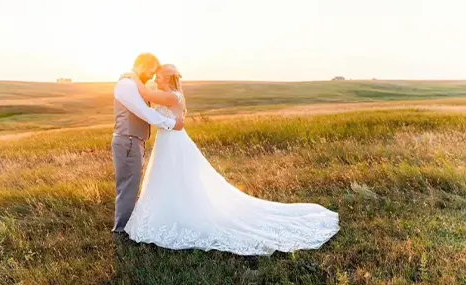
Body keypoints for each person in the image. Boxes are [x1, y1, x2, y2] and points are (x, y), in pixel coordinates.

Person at [121, 64, 340, 255]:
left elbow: (146, 95)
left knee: (177, 178)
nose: (155, 79)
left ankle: (181, 214)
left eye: (158, 76)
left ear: (168, 79)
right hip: (169, 141)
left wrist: (131, 75)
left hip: (173, 142)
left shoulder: (171, 96)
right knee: (170, 179)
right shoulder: (172, 95)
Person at [111, 53, 184, 233]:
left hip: (133, 141)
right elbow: (144, 112)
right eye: (152, 72)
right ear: (143, 65)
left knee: (132, 184)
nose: (152, 76)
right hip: (128, 141)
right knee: (128, 186)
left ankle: (127, 226)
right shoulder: (127, 85)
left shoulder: (135, 84)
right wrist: (172, 124)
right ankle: (122, 229)